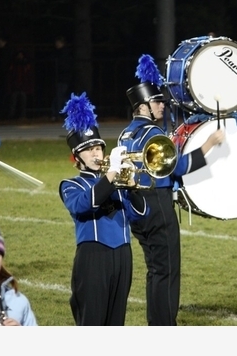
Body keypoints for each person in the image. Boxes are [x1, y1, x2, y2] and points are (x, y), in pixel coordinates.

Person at [118, 54, 224, 326]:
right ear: (143, 106)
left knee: (155, 270)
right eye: (157, 102)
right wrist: (210, 143)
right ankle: (164, 326)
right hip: (158, 206)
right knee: (166, 271)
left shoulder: (125, 134)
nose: (162, 105)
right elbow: (180, 166)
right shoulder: (153, 134)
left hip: (136, 208)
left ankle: (157, 322)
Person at [58, 92, 150, 326]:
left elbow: (141, 214)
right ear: (77, 158)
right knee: (92, 322)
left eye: (98, 148)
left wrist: (133, 186)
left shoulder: (116, 181)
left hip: (123, 256)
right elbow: (85, 204)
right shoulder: (70, 185)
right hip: (93, 257)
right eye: (88, 150)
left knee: (116, 323)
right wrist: (111, 175)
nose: (95, 153)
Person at [6, 50, 34, 120]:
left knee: (23, 103)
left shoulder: (26, 65)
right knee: (13, 102)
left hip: (23, 87)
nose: (20, 56)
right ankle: (11, 116)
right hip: (15, 87)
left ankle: (22, 116)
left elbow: (28, 76)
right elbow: (10, 76)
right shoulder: (14, 65)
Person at [50, 35, 73, 121]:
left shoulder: (63, 53)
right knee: (60, 96)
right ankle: (60, 113)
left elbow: (64, 66)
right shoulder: (61, 52)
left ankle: (59, 113)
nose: (56, 44)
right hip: (62, 77)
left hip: (62, 77)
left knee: (60, 96)